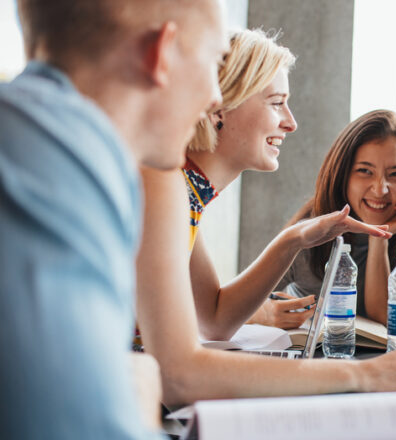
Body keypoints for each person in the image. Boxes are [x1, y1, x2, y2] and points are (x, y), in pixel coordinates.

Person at [136, 29, 396, 407]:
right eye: (277, 102)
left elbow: (214, 319)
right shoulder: (166, 189)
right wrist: (363, 374)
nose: (291, 123)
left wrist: (293, 239)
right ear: (219, 106)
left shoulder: (187, 196)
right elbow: (180, 375)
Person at [1, 0, 228, 438]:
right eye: (215, 60)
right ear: (162, 51)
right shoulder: (62, 161)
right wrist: (139, 393)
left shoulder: (39, 136)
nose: (216, 95)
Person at [250, 109, 396, 326]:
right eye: (365, 171)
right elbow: (231, 308)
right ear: (343, 175)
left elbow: (385, 317)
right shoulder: (309, 231)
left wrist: (379, 237)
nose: (380, 189)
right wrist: (265, 314)